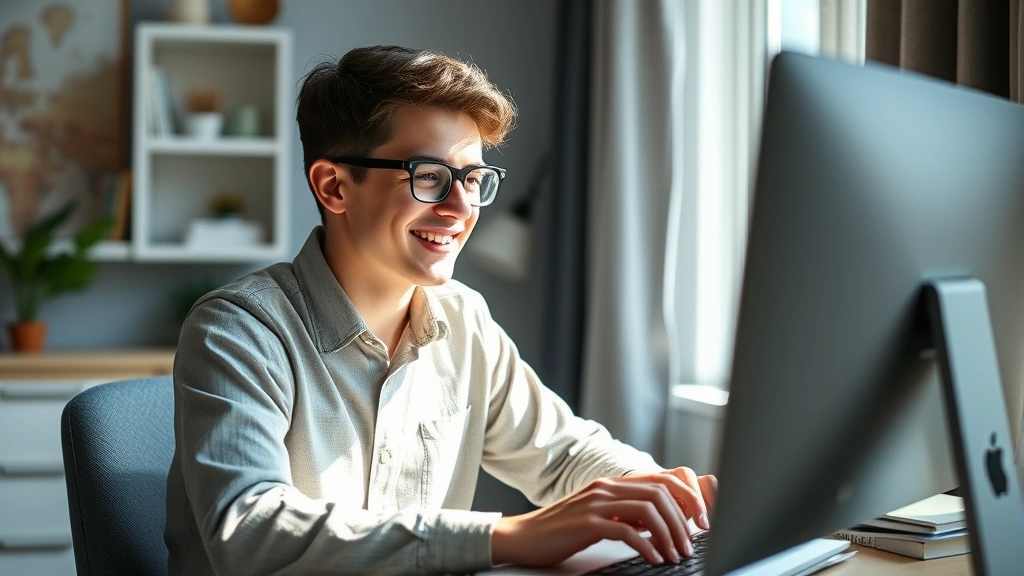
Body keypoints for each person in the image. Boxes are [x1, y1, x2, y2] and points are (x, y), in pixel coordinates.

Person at [165, 45, 716, 575]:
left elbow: (564, 455)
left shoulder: (464, 321)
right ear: (334, 186)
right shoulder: (237, 331)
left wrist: (665, 494)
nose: (460, 208)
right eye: (429, 176)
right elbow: (250, 530)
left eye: (473, 179)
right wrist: (507, 537)